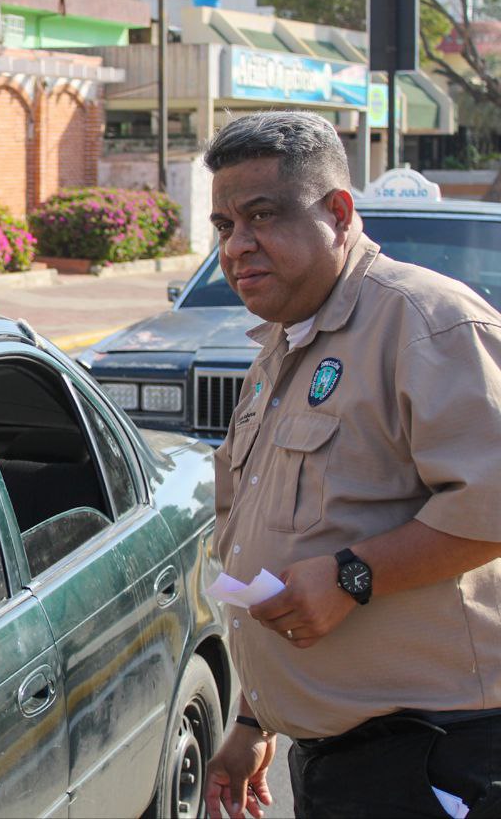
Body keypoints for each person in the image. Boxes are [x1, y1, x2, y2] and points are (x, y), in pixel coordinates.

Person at [200, 111, 501, 819]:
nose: (237, 247)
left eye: (262, 216)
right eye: (222, 226)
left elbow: (491, 508)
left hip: (434, 755)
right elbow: (282, 537)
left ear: (338, 213)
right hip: (346, 759)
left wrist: (352, 576)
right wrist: (253, 719)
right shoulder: (286, 343)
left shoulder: (426, 322)